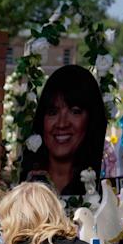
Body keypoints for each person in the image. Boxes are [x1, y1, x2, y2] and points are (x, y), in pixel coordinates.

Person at [23, 64, 108, 197]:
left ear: (91, 119)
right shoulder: (22, 184)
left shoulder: (106, 185)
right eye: (52, 112)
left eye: (75, 112)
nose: (62, 124)